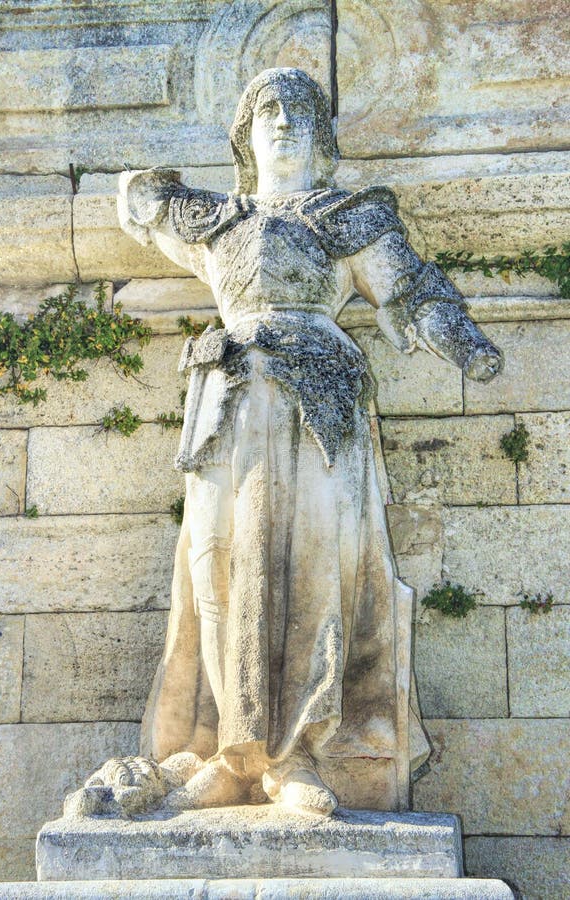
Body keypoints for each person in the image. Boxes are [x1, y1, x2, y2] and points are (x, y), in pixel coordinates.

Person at [75, 67, 502, 820]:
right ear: (245, 133)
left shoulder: (348, 218)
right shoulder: (217, 221)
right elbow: (139, 201)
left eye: (301, 112)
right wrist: (154, 191)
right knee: (219, 568)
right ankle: (229, 758)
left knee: (317, 573)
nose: (284, 123)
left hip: (319, 403)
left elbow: (413, 290)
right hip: (229, 403)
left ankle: (295, 755)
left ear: (321, 134)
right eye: (267, 110)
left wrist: (466, 346)